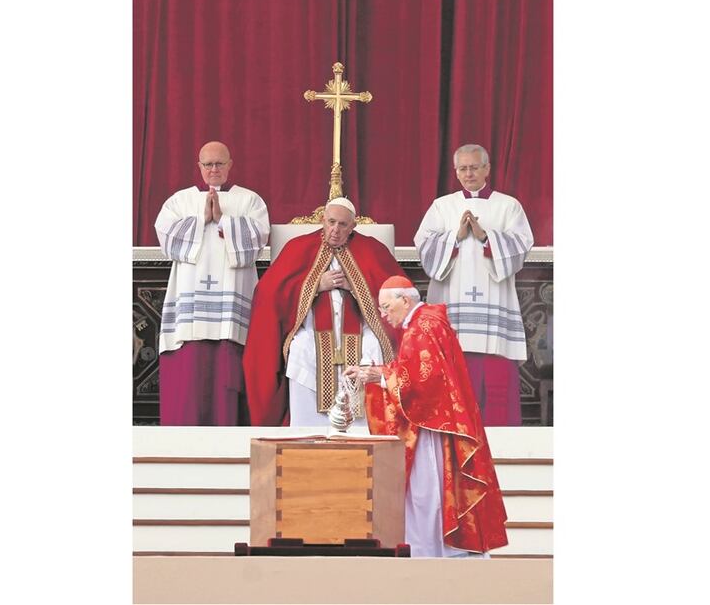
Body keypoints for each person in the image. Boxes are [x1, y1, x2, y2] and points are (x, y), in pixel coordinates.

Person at [345, 275, 508, 557]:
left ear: (404, 300)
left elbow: (422, 382)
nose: (383, 316)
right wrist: (380, 373)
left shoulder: (423, 327)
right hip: (436, 421)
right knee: (428, 493)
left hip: (431, 428)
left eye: (386, 307)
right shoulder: (425, 324)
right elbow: (413, 370)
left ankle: (431, 552)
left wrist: (377, 375)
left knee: (425, 493)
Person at [243, 197, 405, 427]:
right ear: (322, 220)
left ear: (353, 226)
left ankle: (367, 429)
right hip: (311, 329)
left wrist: (356, 287)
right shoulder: (298, 247)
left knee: (374, 347)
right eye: (331, 222)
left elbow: (397, 294)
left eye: (342, 225)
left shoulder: (372, 249)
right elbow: (269, 295)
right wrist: (315, 285)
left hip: (362, 328)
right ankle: (306, 428)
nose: (335, 230)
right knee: (300, 348)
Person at [413, 143, 534, 426]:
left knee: (496, 382)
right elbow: (424, 245)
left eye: (474, 167)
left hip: (494, 304)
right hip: (451, 303)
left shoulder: (508, 205)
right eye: (463, 168)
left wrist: (484, 236)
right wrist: (455, 237)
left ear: (487, 169)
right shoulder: (442, 206)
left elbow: (521, 245)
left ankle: (502, 442)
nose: (468, 173)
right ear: (456, 172)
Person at [154, 141, 269, 425]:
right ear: (199, 167)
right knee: (189, 378)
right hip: (189, 306)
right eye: (208, 164)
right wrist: (202, 218)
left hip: (231, 308)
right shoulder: (179, 201)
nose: (214, 169)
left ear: (230, 165)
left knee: (228, 370)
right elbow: (166, 239)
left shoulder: (249, 200)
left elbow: (258, 239)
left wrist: (223, 220)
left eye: (219, 163)